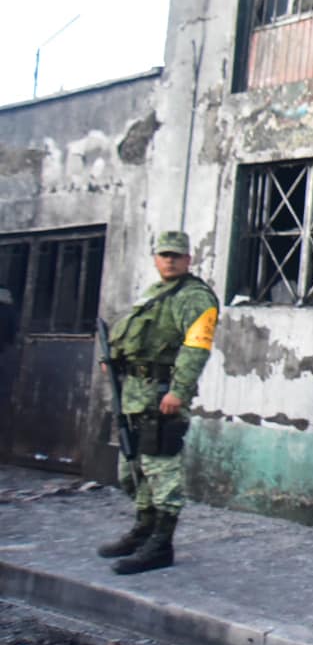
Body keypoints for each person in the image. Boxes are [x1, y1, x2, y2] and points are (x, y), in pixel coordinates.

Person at [97, 229, 219, 575]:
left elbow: (196, 348)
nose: (169, 260)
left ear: (188, 259)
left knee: (161, 471)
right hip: (133, 395)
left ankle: (161, 545)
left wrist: (178, 391)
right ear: (155, 258)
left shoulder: (195, 297)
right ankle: (143, 530)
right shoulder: (155, 293)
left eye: (176, 255)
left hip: (162, 395)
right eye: (164, 254)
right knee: (133, 470)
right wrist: (115, 357)